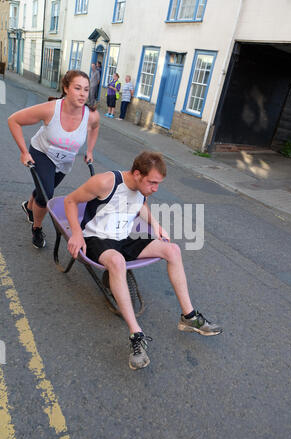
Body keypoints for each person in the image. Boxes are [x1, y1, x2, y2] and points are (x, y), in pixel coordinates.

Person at [64, 151, 222, 371]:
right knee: (118, 262)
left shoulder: (141, 188)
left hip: (123, 238)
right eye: (152, 182)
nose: (155, 188)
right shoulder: (105, 182)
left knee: (173, 250)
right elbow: (70, 200)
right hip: (96, 238)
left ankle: (189, 316)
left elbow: (140, 205)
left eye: (158, 183)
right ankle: (136, 334)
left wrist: (156, 226)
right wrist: (76, 233)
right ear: (137, 174)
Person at [8, 70, 100, 249]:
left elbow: (95, 128)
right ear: (66, 88)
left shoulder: (91, 115)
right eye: (77, 88)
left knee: (44, 187)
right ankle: (36, 227)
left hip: (65, 160)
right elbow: (14, 120)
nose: (82, 94)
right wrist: (23, 152)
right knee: (47, 195)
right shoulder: (50, 109)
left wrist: (90, 150)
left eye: (86, 90)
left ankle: (29, 206)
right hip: (42, 153)